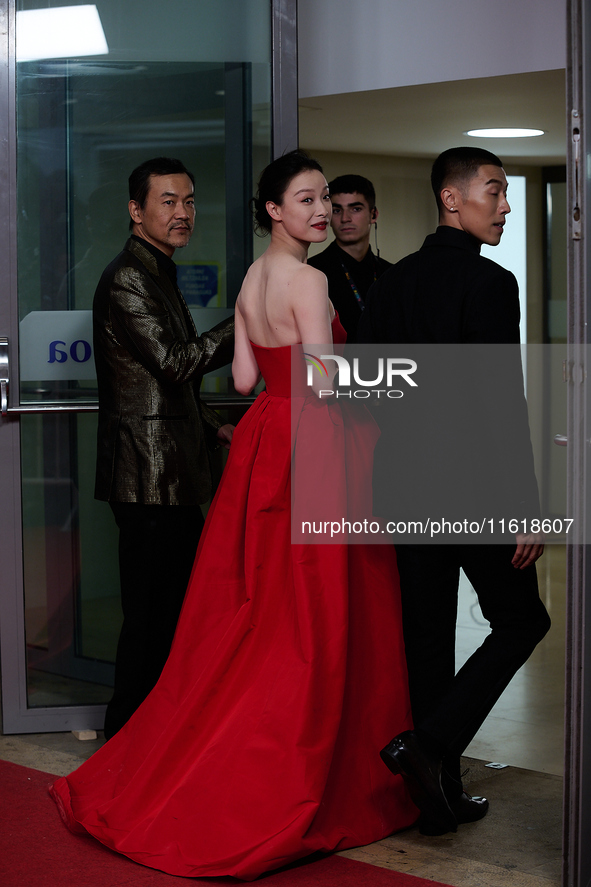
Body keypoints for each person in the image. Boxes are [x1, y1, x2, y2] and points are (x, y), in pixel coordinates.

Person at [49, 150, 417, 880]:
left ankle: (191, 753)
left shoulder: (253, 276)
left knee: (253, 614)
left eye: (324, 200)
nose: (319, 211)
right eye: (306, 199)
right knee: (312, 618)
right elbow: (324, 387)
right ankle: (299, 764)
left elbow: (247, 378)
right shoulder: (310, 280)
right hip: (311, 446)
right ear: (275, 210)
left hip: (263, 447)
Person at [358, 146, 551, 836]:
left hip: (403, 484)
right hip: (472, 486)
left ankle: (436, 799)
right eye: (495, 192)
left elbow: (367, 390)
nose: (504, 206)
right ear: (451, 198)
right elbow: (503, 405)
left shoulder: (389, 284)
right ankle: (429, 745)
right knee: (524, 620)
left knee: (428, 642)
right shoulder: (490, 283)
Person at [92, 157, 234, 740]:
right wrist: (244, 319)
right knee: (150, 620)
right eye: (169, 202)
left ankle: (149, 738)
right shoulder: (130, 275)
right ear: (136, 210)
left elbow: (158, 379)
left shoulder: (159, 269)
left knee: (170, 615)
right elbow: (177, 363)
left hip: (169, 472)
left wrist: (211, 424)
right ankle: (123, 740)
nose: (183, 214)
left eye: (190, 201)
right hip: (147, 477)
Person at [308, 174, 391, 341]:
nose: (345, 218)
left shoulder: (392, 274)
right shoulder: (312, 272)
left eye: (356, 209)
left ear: (373, 215)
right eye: (337, 210)